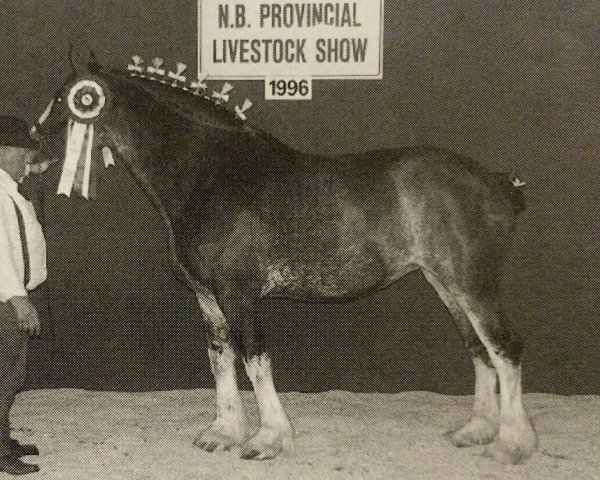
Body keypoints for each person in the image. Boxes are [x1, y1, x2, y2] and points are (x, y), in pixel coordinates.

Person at [0, 115, 48, 475]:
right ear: (3, 152)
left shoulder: (8, 189)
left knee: (10, 373)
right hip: (5, 300)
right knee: (6, 375)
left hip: (8, 297)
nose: (27, 162)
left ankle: (2, 439)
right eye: (22, 155)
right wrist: (18, 299)